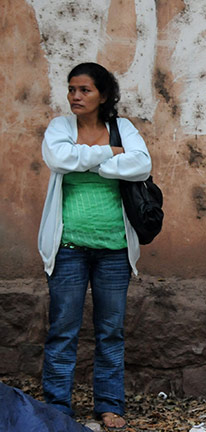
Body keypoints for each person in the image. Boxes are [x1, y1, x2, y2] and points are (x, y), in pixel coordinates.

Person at [38, 62, 152, 430]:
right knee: (63, 330)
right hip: (69, 246)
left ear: (103, 95)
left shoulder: (124, 128)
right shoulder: (60, 127)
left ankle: (109, 404)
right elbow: (58, 158)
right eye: (72, 89)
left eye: (84, 90)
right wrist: (108, 154)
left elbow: (142, 166)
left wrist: (85, 159)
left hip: (115, 249)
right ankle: (57, 406)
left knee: (111, 331)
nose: (75, 96)